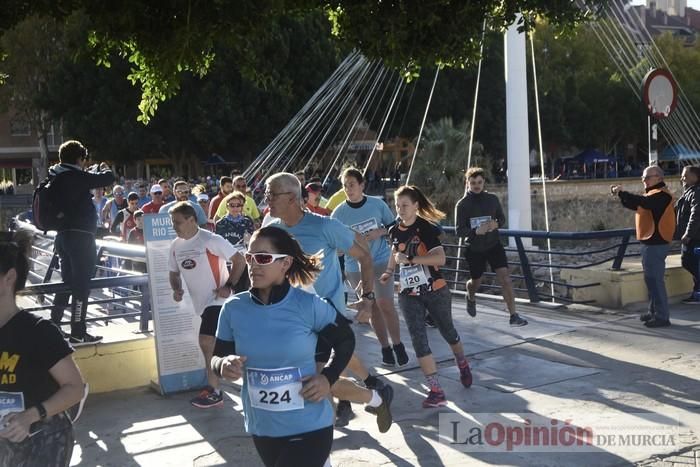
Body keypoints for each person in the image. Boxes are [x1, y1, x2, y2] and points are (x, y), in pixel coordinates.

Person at [212, 227, 355, 467]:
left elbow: (345, 340)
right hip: (263, 429)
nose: (253, 264)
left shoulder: (309, 305)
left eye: (263, 258)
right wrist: (223, 365)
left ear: (285, 263)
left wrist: (327, 378)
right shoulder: (233, 308)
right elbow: (216, 357)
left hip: (310, 427)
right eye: (249, 257)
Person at [264, 172, 393, 430]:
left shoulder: (325, 226)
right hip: (291, 318)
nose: (266, 200)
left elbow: (365, 257)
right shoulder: (273, 231)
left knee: (317, 381)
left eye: (271, 195)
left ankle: (323, 437)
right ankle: (376, 394)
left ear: (291, 197)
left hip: (325, 314)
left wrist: (368, 299)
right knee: (317, 380)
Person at [380, 185, 472, 408]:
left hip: (435, 289)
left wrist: (411, 260)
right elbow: (395, 253)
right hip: (408, 293)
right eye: (397, 205)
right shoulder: (394, 230)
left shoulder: (426, 229)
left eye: (404, 205)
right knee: (418, 339)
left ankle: (462, 363)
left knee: (447, 331)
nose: (400, 209)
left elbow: (440, 259)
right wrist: (389, 272)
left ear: (416, 206)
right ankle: (436, 391)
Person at [0, 231, 86, 467]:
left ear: (9, 278)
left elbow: (76, 388)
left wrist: (31, 415)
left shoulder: (38, 331)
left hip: (44, 440)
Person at [168, 202, 246, 408]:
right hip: (201, 305)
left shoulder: (210, 239)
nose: (174, 226)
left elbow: (240, 260)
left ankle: (214, 391)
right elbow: (173, 273)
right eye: (172, 223)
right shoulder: (176, 245)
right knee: (216, 346)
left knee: (205, 341)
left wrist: (229, 285)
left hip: (218, 301)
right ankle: (223, 384)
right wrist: (176, 289)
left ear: (191, 220)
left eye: (177, 222)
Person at [331, 168, 408, 367]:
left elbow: (395, 229)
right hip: (354, 266)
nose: (348, 189)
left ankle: (398, 344)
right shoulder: (338, 213)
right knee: (371, 308)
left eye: (352, 184)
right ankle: (385, 348)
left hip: (381, 260)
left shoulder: (377, 204)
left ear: (362, 185)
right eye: (345, 185)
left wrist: (379, 232)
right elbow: (334, 244)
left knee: (386, 304)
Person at [49, 140, 115, 344]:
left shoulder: (55, 175)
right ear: (80, 159)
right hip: (81, 239)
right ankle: (78, 332)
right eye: (84, 160)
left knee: (66, 283)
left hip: (63, 237)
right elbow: (108, 178)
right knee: (81, 286)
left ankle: (53, 326)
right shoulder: (75, 176)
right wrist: (104, 168)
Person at [454, 167, 528, 326]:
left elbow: (501, 219)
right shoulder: (462, 205)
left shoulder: (492, 199)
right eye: (473, 182)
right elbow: (459, 231)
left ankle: (513, 315)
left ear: (484, 182)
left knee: (505, 279)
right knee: (476, 282)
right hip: (474, 249)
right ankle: (470, 295)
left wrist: (496, 224)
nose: (476, 185)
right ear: (467, 183)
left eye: (479, 182)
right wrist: (475, 231)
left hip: (494, 245)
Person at [611, 165, 675, 328]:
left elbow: (643, 202)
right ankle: (654, 311)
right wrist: (621, 196)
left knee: (655, 280)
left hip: (657, 243)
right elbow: (636, 204)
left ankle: (662, 317)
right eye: (643, 178)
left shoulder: (662, 195)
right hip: (650, 242)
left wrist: (622, 193)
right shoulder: (652, 195)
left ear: (659, 178)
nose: (643, 180)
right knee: (651, 279)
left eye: (647, 177)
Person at [675, 165, 700, 303]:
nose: (682, 178)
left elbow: (696, 215)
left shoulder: (696, 192)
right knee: (692, 263)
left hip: (694, 238)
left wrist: (688, 234)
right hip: (692, 236)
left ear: (695, 177)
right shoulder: (689, 192)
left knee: (690, 262)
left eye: (685, 175)